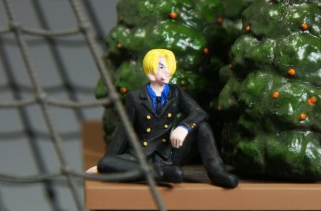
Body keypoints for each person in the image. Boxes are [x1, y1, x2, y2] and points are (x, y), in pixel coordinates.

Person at [97, 48, 238, 188]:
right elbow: (124, 131)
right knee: (105, 163)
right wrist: (109, 160)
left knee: (202, 126)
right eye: (161, 67)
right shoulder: (135, 97)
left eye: (169, 67)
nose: (167, 71)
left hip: (169, 155)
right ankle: (159, 174)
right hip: (141, 157)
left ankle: (217, 172)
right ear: (150, 70)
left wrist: (184, 127)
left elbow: (200, 113)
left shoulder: (175, 92)